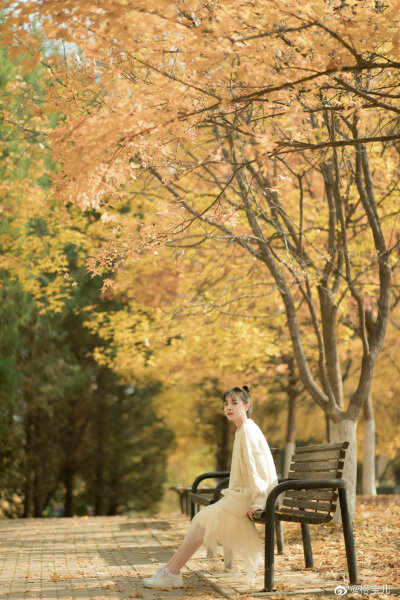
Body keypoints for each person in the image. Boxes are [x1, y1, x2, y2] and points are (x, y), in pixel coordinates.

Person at [142, 385, 278, 589]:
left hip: (251, 497)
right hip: (241, 495)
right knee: (203, 520)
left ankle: (170, 572)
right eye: (226, 403)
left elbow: (258, 469)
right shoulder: (242, 430)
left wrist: (260, 502)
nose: (229, 407)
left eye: (234, 403)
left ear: (247, 406)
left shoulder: (248, 430)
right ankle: (170, 571)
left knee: (204, 518)